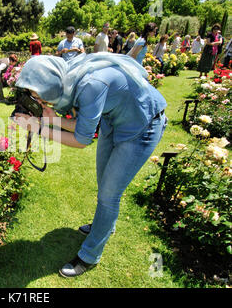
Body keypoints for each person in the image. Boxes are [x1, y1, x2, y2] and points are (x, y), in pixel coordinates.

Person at [13, 53, 167, 278]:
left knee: (109, 195)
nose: (36, 100)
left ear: (50, 87)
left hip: (142, 126)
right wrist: (49, 118)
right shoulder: (68, 76)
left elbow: (82, 139)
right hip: (113, 120)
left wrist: (38, 128)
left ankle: (89, 255)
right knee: (103, 181)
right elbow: (79, 123)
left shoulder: (91, 85)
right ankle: (105, 226)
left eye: (37, 95)